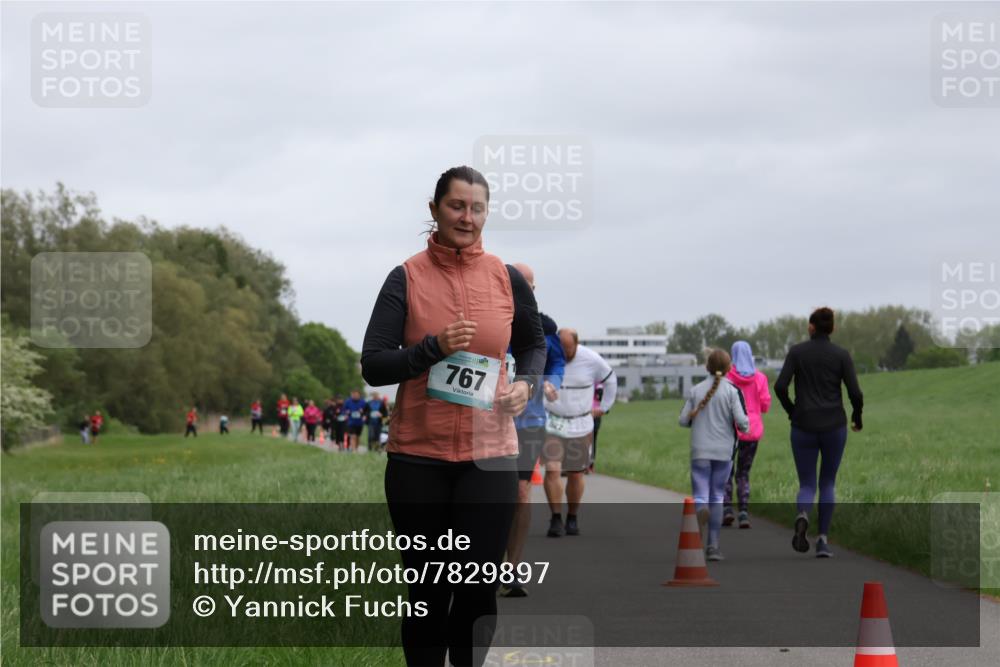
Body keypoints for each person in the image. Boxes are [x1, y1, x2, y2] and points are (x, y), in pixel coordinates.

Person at [361, 165, 545, 667]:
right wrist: (431, 349)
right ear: (435, 209)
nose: (467, 217)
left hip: (489, 459)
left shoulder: (506, 278)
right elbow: (374, 364)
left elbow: (533, 343)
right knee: (427, 594)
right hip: (418, 459)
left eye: (477, 208)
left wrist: (525, 383)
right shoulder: (406, 277)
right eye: (456, 206)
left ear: (487, 212)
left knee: (476, 591)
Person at [774, 307, 864, 558]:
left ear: (810, 327)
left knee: (806, 483)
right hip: (834, 425)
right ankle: (822, 540)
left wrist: (792, 410)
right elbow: (855, 393)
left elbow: (780, 386)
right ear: (832, 328)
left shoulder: (797, 352)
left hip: (803, 425)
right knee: (827, 482)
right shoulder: (841, 355)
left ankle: (803, 514)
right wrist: (857, 416)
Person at [499, 262, 565, 599]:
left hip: (530, 422)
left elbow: (555, 361)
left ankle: (512, 569)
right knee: (490, 495)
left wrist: (552, 382)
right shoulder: (490, 320)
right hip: (490, 421)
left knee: (521, 492)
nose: (526, 293)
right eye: (518, 286)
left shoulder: (545, 327)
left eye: (530, 287)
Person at [541, 328, 617, 538]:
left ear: (577, 344)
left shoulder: (591, 359)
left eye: (568, 349)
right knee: (553, 470)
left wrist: (604, 407)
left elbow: (611, 379)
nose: (564, 354)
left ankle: (572, 516)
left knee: (575, 473)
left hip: (580, 423)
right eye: (560, 348)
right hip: (553, 422)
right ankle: (556, 518)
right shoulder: (549, 355)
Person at [679, 349, 750, 561]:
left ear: (706, 367)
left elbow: (683, 420)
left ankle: (701, 508)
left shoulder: (695, 390)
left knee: (701, 492)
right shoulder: (732, 391)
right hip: (724, 451)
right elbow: (742, 422)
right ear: (730, 368)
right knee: (718, 495)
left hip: (700, 450)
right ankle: (713, 547)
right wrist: (744, 426)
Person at [722, 341, 772, 529]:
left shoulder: (727, 377)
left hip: (729, 431)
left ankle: (727, 509)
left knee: (727, 471)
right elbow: (765, 405)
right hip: (751, 431)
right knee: (744, 473)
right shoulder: (760, 378)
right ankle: (743, 512)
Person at [589, 383, 604, 474]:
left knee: (592, 438)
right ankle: (587, 464)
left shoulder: (598, 380)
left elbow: (601, 395)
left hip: (594, 412)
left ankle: (590, 464)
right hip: (586, 411)